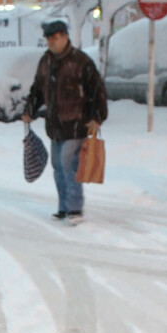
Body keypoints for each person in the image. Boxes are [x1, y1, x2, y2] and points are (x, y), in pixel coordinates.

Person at [23, 20, 108, 222]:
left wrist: (97, 117)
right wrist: (30, 109)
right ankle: (63, 206)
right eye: (49, 39)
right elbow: (38, 89)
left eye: (55, 38)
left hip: (77, 122)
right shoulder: (46, 61)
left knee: (68, 163)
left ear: (65, 37)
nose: (51, 42)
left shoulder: (81, 61)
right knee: (58, 166)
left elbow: (97, 91)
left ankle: (74, 207)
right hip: (55, 125)